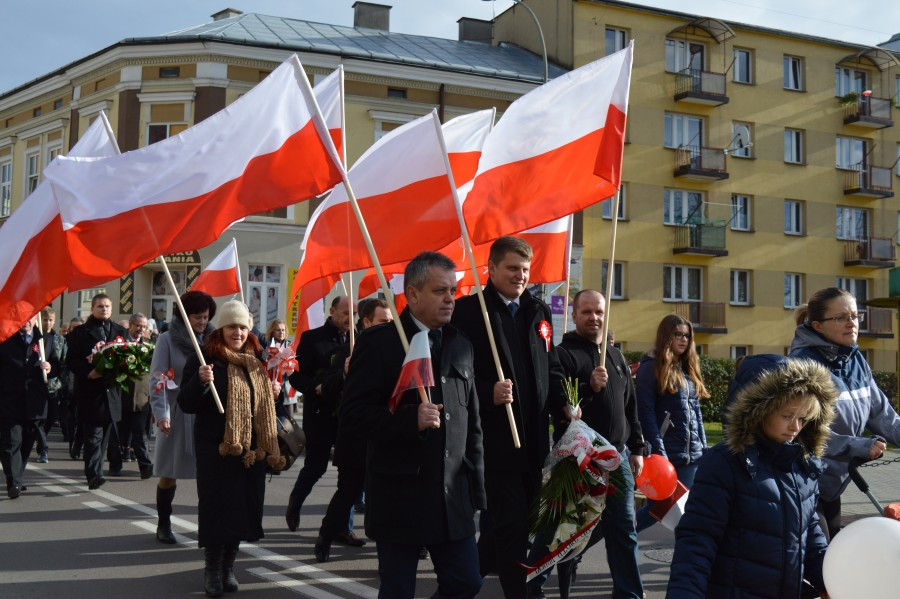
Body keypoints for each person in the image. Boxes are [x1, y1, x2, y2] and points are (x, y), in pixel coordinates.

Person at [341, 252, 485, 599]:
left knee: (466, 582)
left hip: (451, 496)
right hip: (400, 494)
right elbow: (353, 415)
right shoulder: (380, 344)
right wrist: (409, 419)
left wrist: (477, 489)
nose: (450, 299)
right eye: (440, 291)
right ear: (413, 293)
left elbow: (472, 424)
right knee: (398, 591)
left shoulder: (461, 344)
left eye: (453, 291)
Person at [451, 236, 566, 598]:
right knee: (512, 525)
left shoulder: (538, 311)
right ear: (492, 268)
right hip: (495, 441)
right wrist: (488, 391)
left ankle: (467, 579)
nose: (520, 276)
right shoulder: (470, 312)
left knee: (515, 523)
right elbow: (451, 374)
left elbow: (551, 366)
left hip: (533, 440)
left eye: (525, 269)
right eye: (512, 268)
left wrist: (565, 404)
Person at [666, 357, 836, 598]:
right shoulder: (725, 463)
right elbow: (697, 540)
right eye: (787, 415)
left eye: (803, 418)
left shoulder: (802, 467)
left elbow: (810, 537)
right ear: (760, 411)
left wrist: (831, 579)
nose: (796, 427)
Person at [528, 290, 645, 599]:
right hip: (578, 459)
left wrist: (638, 447)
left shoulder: (616, 356)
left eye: (599, 312)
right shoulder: (562, 354)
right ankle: (531, 588)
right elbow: (559, 402)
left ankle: (629, 594)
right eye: (587, 312)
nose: (594, 317)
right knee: (556, 526)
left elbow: (630, 407)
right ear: (574, 315)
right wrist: (588, 387)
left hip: (617, 458)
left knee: (624, 531)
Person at [177, 300, 285, 598]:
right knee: (217, 509)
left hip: (250, 451)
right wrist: (200, 381)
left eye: (242, 327)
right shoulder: (205, 358)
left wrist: (274, 392)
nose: (237, 332)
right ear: (221, 329)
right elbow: (185, 404)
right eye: (231, 327)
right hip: (217, 449)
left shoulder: (257, 359)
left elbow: (262, 404)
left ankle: (228, 567)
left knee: (241, 509)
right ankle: (212, 569)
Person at [788, 287, 900, 540]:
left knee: (832, 551)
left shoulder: (856, 360)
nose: (852, 323)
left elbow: (884, 416)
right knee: (819, 554)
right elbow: (801, 432)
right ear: (817, 326)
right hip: (802, 483)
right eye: (841, 318)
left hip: (833, 485)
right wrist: (858, 445)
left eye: (854, 316)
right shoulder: (802, 365)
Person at [313, 297, 392, 562]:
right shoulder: (348, 350)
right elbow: (327, 389)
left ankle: (401, 548)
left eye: (390, 322)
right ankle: (326, 535)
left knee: (387, 495)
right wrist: (345, 373)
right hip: (354, 436)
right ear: (367, 322)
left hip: (383, 433)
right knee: (348, 491)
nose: (388, 326)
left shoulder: (396, 348)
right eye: (383, 321)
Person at [149, 291, 217, 544]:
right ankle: (164, 523)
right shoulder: (167, 339)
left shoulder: (213, 341)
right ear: (184, 316)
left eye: (206, 317)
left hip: (206, 412)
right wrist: (161, 414)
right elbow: (158, 379)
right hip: (177, 411)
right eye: (197, 317)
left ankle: (208, 525)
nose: (202, 322)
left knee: (208, 473)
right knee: (169, 472)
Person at [284, 296, 352, 532]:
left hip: (347, 414)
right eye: (346, 313)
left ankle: (344, 527)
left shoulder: (358, 339)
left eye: (354, 314)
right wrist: (316, 387)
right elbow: (296, 376)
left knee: (349, 471)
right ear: (332, 311)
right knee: (316, 466)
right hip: (320, 412)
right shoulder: (313, 338)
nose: (350, 318)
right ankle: (295, 502)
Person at [635, 314, 708, 533]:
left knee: (686, 513)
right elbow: (646, 414)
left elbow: (696, 414)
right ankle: (620, 535)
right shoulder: (651, 367)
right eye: (678, 334)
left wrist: (704, 449)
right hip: (666, 456)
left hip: (691, 456)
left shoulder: (688, 368)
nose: (684, 339)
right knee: (658, 509)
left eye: (687, 335)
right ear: (666, 336)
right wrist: (659, 452)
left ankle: (622, 537)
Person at [65, 294, 128, 490]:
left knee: (104, 439)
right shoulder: (80, 333)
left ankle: (97, 470)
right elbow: (71, 360)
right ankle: (94, 475)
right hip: (91, 392)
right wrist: (88, 372)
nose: (104, 309)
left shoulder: (120, 331)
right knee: (93, 436)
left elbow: (129, 357)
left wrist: (123, 370)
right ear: (92, 308)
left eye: (107, 306)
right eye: (100, 306)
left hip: (112, 392)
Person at [0, 320, 55, 498]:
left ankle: (18, 475)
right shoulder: (5, 338)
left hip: (35, 401)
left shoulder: (45, 339)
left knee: (27, 440)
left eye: (30, 317)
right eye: (22, 317)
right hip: (9, 400)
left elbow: (58, 366)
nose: (26, 321)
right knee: (11, 442)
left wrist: (50, 368)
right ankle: (14, 482)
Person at [111, 313, 153, 479]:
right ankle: (115, 465)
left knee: (139, 433)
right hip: (122, 396)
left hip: (142, 398)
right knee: (118, 434)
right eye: (138, 325)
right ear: (130, 325)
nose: (141, 329)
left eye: (144, 326)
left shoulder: (149, 346)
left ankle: (145, 466)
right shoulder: (120, 344)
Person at [34, 308, 67, 462]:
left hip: (53, 384)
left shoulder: (59, 340)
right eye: (45, 320)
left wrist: (53, 368)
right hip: (36, 383)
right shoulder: (35, 337)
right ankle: (43, 448)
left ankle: (40, 439)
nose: (48, 323)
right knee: (38, 417)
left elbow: (63, 362)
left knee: (52, 415)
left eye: (50, 320)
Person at [65, 316, 84, 459]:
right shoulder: (64, 342)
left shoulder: (86, 342)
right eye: (74, 328)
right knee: (70, 419)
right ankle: (72, 444)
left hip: (82, 387)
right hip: (67, 387)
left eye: (79, 327)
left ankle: (78, 444)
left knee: (82, 421)